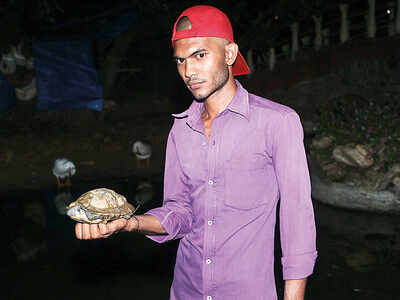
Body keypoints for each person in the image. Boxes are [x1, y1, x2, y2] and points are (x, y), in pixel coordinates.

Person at [74, 5, 317, 300]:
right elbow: (179, 212)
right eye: (180, 61)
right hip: (187, 290)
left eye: (200, 55)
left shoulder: (278, 122)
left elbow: (297, 222)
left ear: (229, 54)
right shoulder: (181, 129)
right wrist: (129, 223)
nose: (188, 71)